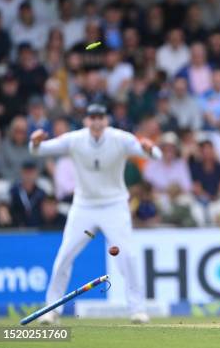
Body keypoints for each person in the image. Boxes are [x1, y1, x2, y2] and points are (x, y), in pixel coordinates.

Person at [28, 104, 162, 325]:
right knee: (65, 255)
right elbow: (39, 150)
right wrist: (34, 141)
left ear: (106, 120)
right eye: (92, 117)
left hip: (115, 205)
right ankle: (51, 310)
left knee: (128, 256)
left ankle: (138, 310)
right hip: (84, 206)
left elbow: (154, 154)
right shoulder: (75, 139)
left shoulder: (120, 138)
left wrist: (149, 148)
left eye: (100, 117)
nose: (97, 121)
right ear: (86, 121)